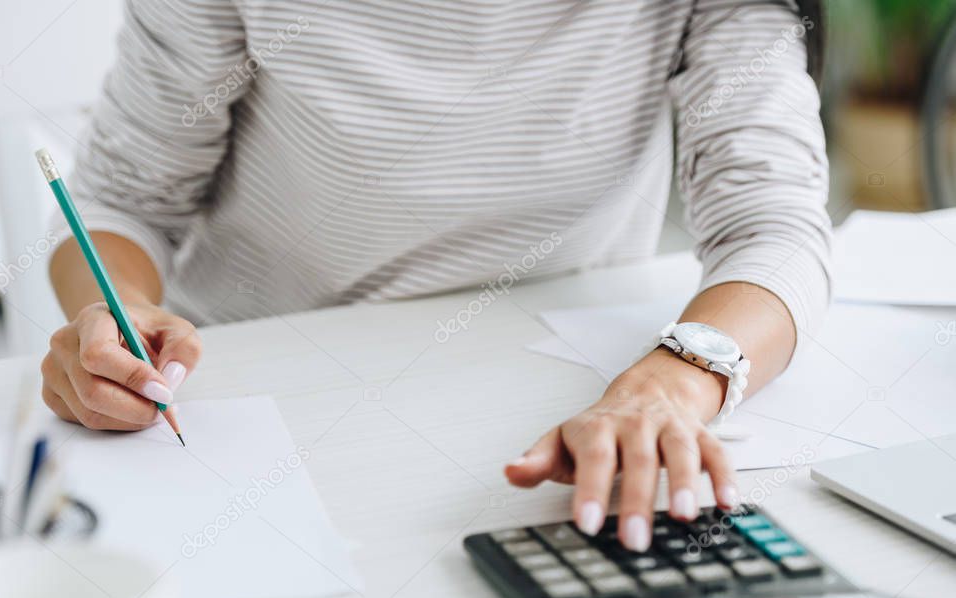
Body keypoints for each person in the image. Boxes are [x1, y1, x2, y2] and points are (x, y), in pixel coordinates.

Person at [41, 0, 831, 551]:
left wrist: (673, 383)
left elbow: (776, 226)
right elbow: (121, 199)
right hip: (259, 400)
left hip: (542, 385)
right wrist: (114, 314)